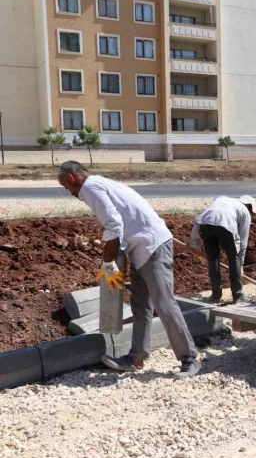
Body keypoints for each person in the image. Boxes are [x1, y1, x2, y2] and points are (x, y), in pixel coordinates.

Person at [57, 161, 201, 378]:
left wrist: (108, 261)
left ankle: (189, 358)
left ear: (70, 178)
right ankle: (136, 357)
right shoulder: (102, 182)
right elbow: (121, 222)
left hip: (152, 245)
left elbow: (114, 224)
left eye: (67, 188)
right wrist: (117, 259)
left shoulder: (89, 188)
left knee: (164, 302)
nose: (70, 194)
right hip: (139, 248)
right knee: (140, 304)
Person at [189, 196, 256, 304]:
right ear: (249, 207)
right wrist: (241, 264)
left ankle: (215, 296)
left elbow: (201, 218)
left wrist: (194, 243)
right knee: (233, 258)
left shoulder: (220, 199)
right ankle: (238, 295)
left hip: (206, 225)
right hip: (226, 223)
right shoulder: (245, 212)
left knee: (213, 259)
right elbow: (243, 242)